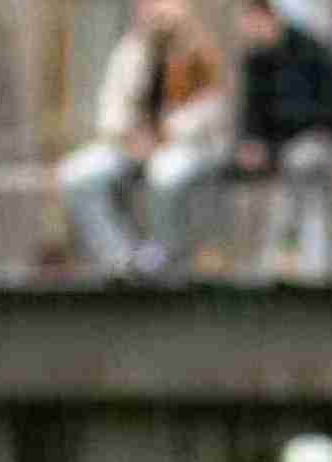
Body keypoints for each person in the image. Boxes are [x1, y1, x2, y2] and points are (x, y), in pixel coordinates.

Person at [56, 0, 233, 280]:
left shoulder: (199, 52)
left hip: (185, 146)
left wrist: (166, 133)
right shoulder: (131, 51)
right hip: (132, 144)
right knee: (75, 175)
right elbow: (111, 107)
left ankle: (166, 260)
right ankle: (121, 260)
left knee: (165, 174)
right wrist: (129, 135)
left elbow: (210, 110)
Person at [233, 2, 332, 281]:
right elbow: (251, 111)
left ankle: (292, 256)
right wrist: (250, 142)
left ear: (268, 17)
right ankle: (247, 258)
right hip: (274, 145)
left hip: (316, 140)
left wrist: (283, 138)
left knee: (300, 163)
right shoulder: (256, 60)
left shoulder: (312, 51)